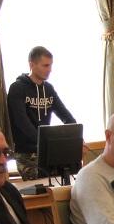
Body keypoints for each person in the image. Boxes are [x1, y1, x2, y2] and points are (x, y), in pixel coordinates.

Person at [6, 46, 77, 180]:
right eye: (45, 65)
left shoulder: (48, 89)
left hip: (46, 150)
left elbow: (65, 115)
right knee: (40, 186)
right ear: (32, 65)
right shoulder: (17, 88)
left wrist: (76, 137)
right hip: (26, 152)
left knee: (63, 180)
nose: (49, 69)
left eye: (50, 65)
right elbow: (21, 122)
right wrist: (45, 142)